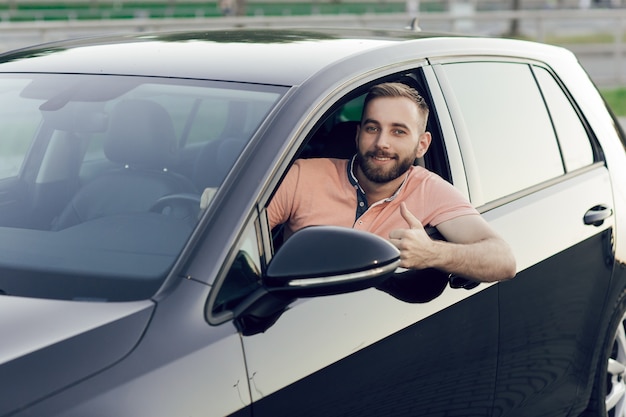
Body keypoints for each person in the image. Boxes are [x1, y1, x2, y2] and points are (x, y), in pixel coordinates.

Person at [268, 82, 516, 283]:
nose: (381, 143)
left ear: (422, 144)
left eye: (398, 131)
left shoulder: (429, 190)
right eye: (372, 128)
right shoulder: (302, 176)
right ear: (358, 135)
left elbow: (503, 260)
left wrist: (431, 253)